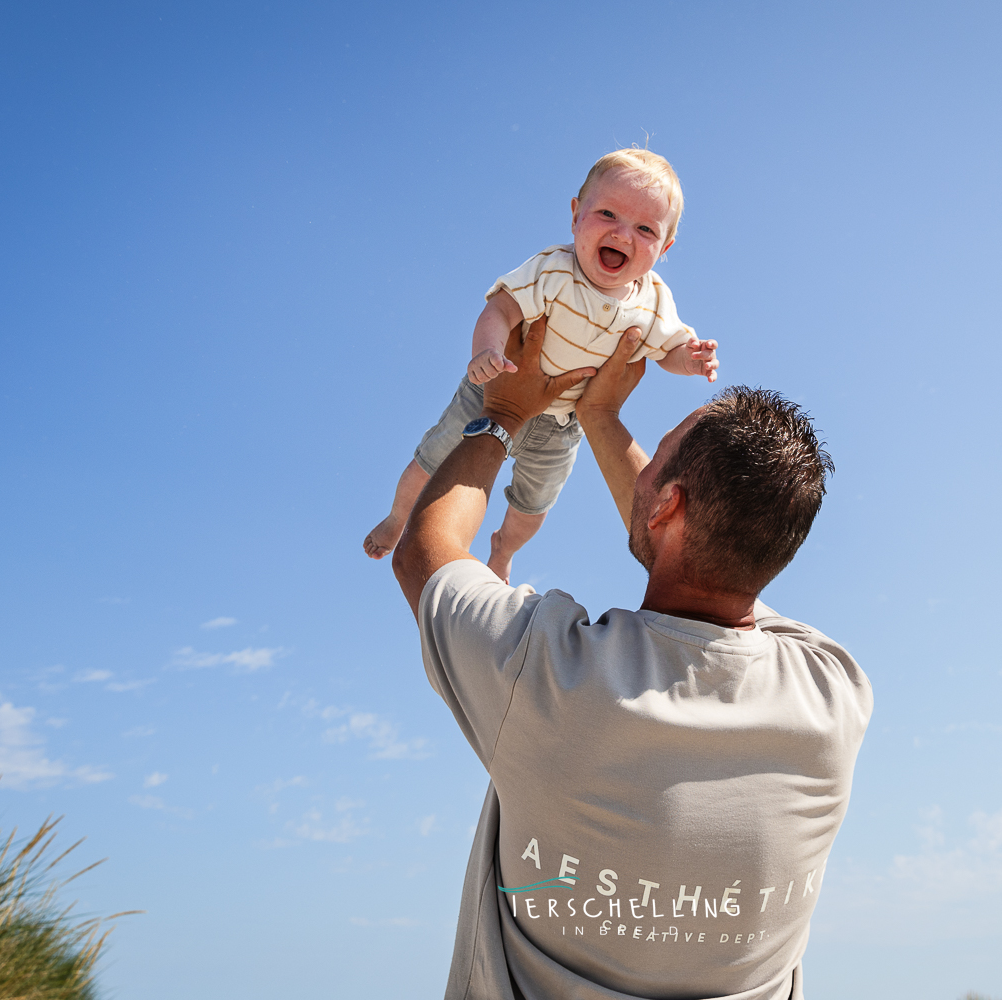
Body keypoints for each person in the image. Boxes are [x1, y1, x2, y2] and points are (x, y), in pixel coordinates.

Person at [391, 318, 872, 1000]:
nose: (641, 470)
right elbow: (699, 549)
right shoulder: (834, 693)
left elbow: (427, 552)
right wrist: (601, 415)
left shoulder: (549, 676)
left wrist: (502, 414)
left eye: (658, 457)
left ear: (668, 503)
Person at [365, 149, 720, 582]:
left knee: (533, 506)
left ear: (664, 247)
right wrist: (487, 352)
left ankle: (504, 548)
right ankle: (397, 518)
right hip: (495, 388)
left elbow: (668, 349)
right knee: (430, 461)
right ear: (575, 215)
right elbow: (500, 310)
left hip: (562, 424)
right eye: (607, 213)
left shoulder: (655, 301)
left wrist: (692, 359)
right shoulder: (554, 269)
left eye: (645, 228)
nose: (623, 234)